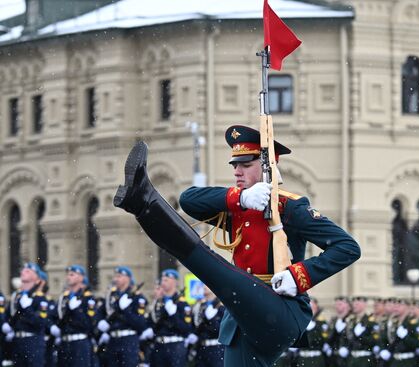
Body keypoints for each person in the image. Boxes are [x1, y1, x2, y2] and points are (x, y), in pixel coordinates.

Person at [112, 125, 361, 367]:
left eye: (246, 165)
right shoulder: (239, 206)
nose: (237, 172)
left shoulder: (290, 208)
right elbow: (189, 200)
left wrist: (299, 277)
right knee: (221, 277)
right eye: (235, 165)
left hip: (279, 309)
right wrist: (240, 198)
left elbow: (347, 247)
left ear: (267, 167)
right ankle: (140, 205)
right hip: (240, 317)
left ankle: (144, 200)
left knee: (210, 266)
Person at [96, 266, 148, 367]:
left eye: (119, 276)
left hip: (129, 340)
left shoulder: (136, 297)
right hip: (112, 340)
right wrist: (101, 322)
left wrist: (126, 310)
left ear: (128, 278)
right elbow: (100, 312)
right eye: (115, 276)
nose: (115, 279)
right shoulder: (111, 295)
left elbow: (140, 324)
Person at [1, 263, 48, 367]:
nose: (23, 272)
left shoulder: (39, 298)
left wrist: (27, 308)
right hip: (17, 342)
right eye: (23, 270)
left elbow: (40, 323)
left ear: (36, 277)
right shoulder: (16, 296)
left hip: (33, 342)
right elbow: (9, 315)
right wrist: (5, 324)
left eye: (28, 271)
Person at [51, 265, 96, 367]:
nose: (68, 277)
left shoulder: (87, 298)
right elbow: (52, 316)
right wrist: (52, 326)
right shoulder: (64, 297)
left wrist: (76, 310)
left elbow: (89, 324)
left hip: (80, 343)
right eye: (68, 275)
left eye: (72, 275)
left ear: (81, 277)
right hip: (64, 343)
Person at [150, 268, 195, 367]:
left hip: (175, 346)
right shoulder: (158, 302)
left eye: (166, 279)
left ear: (174, 281)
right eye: (162, 279)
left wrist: (173, 314)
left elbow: (185, 328)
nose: (163, 282)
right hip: (159, 345)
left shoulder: (182, 303)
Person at [194, 285, 225, 367]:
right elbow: (197, 327)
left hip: (217, 349)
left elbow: (221, 331)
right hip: (202, 348)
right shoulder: (201, 306)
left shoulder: (221, 306)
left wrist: (212, 319)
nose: (204, 287)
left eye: (207, 285)